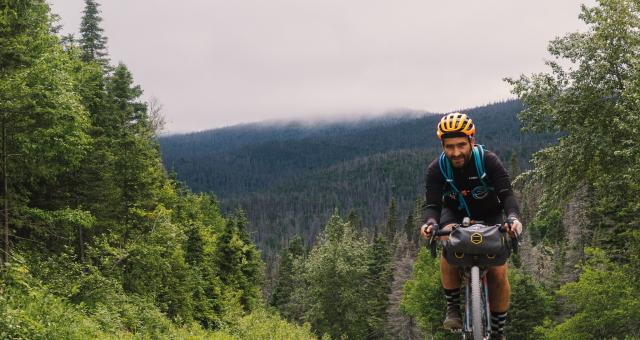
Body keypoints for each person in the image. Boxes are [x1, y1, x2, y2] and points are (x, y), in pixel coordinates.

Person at [420, 112, 522, 340]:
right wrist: (430, 224)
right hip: (453, 213)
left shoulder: (488, 161)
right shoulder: (436, 169)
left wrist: (513, 218)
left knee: (498, 270)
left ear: (471, 142)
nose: (456, 152)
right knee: (447, 245)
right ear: (442, 146)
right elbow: (433, 206)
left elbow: (507, 195)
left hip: (490, 214)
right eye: (449, 147)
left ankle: (497, 331)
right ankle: (453, 308)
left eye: (461, 145)